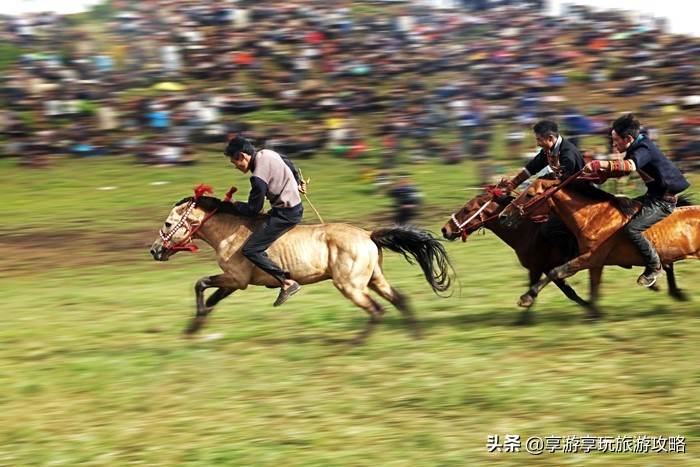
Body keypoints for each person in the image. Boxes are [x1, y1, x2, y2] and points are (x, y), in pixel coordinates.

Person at [582, 114, 690, 287]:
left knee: (632, 230)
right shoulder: (634, 147)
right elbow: (623, 171)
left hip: (663, 201)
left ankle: (655, 267)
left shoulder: (644, 148)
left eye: (616, 140)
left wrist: (600, 164)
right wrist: (598, 176)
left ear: (629, 138)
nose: (614, 144)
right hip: (652, 197)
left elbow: (630, 166)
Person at [224, 135, 308, 306]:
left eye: (234, 162)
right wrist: (298, 181)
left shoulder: (257, 178)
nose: (236, 167)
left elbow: (254, 209)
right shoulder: (267, 153)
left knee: (251, 250)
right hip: (291, 207)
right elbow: (287, 161)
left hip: (286, 214)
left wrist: (233, 205)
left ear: (242, 156)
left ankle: (287, 282)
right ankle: (271, 277)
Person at [500, 119, 585, 260]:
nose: (538, 144)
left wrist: (544, 181)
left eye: (539, 140)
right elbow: (530, 169)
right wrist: (512, 184)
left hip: (578, 196)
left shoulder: (567, 151)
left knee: (548, 228)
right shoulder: (548, 151)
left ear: (551, 138)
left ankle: (573, 256)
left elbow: (566, 180)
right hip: (564, 196)